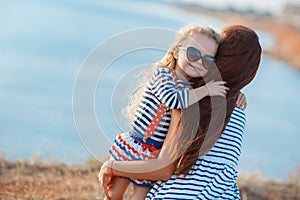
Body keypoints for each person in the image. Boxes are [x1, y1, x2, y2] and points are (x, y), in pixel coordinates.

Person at [99, 25, 261, 199]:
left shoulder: (189, 100)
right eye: (193, 53)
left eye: (208, 59)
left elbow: (163, 169)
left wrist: (110, 167)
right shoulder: (238, 109)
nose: (199, 62)